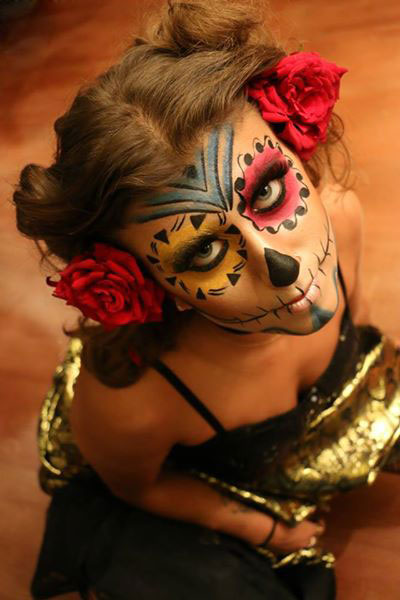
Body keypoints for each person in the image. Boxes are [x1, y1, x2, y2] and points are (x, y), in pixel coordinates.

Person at [12, 1, 400, 598]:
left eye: (267, 192)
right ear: (145, 283)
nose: (283, 269)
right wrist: (259, 527)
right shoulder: (134, 403)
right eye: (203, 253)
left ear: (296, 152)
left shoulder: (341, 218)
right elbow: (138, 488)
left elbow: (363, 335)